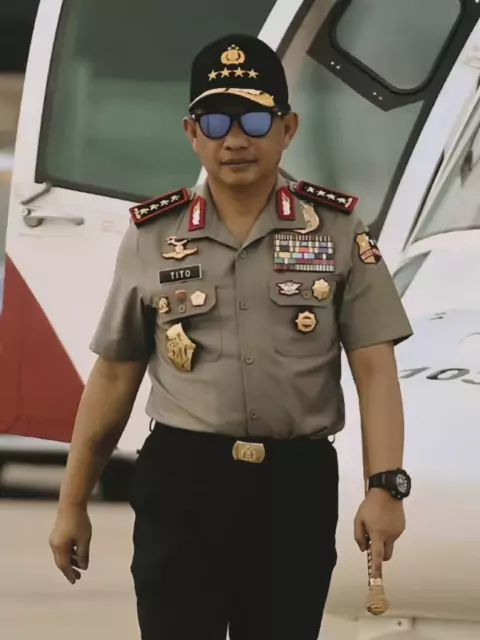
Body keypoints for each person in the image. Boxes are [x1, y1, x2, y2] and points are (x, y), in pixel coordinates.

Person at [49, 33, 413, 640]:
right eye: (216, 122)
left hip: (294, 490)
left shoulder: (337, 230)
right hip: (182, 485)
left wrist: (386, 489)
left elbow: (375, 369)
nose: (235, 139)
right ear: (192, 133)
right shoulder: (152, 236)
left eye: (254, 120)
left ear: (288, 128)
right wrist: (71, 503)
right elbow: (113, 376)